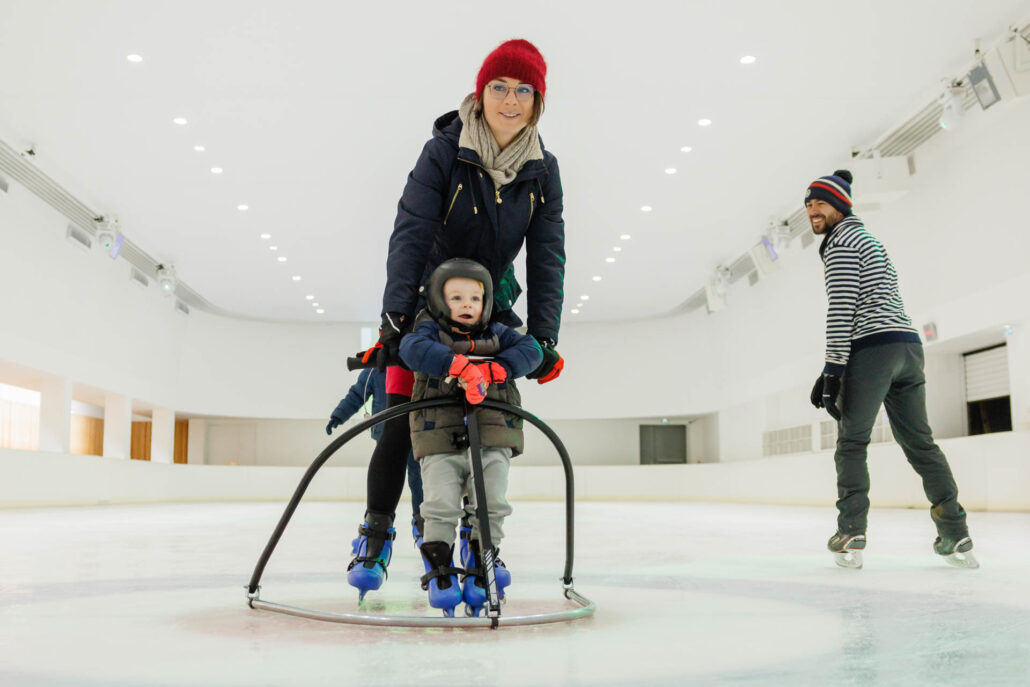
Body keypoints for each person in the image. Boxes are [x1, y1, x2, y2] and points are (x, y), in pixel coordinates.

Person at [346, 38, 566, 599]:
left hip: (487, 306)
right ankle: (377, 531)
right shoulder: (444, 150)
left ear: (538, 101)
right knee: (401, 419)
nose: (509, 101)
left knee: (488, 421)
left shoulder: (543, 169)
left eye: (523, 90)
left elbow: (547, 253)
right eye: (499, 87)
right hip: (424, 303)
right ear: (480, 91)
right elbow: (411, 228)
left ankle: (478, 532)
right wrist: (396, 317)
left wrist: (543, 336)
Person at [805, 170, 977, 569]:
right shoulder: (871, 241)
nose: (813, 209)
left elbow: (842, 307)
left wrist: (833, 369)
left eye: (820, 202)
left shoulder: (841, 243)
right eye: (808, 204)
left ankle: (852, 530)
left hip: (873, 349)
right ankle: (955, 532)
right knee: (921, 444)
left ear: (840, 205)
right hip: (908, 346)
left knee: (852, 441)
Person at [399, 259, 542, 616]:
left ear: (487, 302)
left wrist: (498, 368)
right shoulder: (428, 333)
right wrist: (456, 365)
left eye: (475, 298)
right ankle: (440, 568)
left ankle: (483, 559)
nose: (467, 305)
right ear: (438, 301)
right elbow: (411, 349)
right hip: (438, 435)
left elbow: (532, 351)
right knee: (440, 504)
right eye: (456, 297)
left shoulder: (499, 333)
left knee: (491, 502)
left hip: (493, 433)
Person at [326, 368, 424, 546]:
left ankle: (422, 524)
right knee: (382, 484)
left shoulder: (416, 366)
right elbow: (356, 395)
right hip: (387, 435)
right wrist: (338, 416)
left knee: (419, 480)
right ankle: (374, 529)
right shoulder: (374, 371)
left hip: (418, 434)